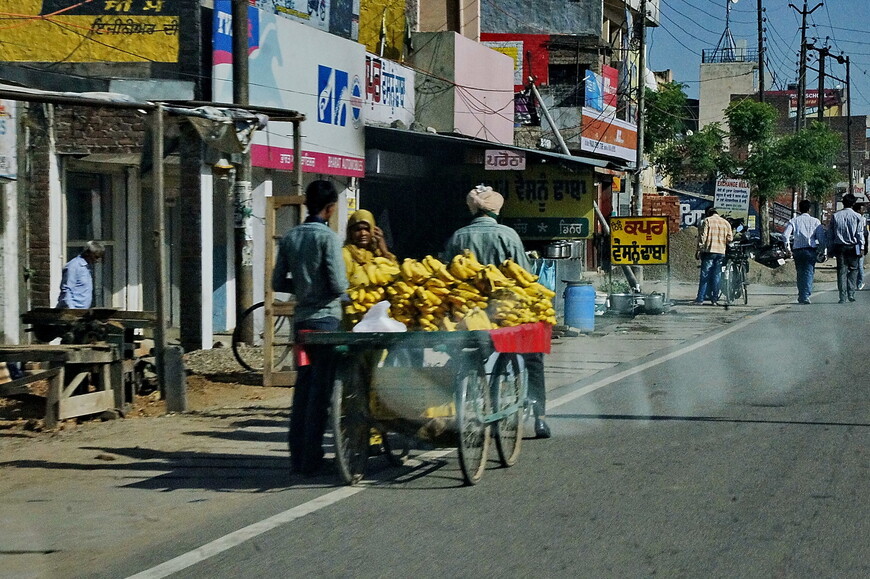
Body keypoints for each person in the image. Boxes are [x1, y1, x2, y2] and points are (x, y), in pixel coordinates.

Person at [443, 185, 551, 439]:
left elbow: (446, 276)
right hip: (505, 314)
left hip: (468, 315)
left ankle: (451, 409)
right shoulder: (508, 235)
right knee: (534, 358)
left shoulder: (459, 236)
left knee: (464, 358)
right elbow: (525, 277)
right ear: (496, 210)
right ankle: (541, 418)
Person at [272, 180, 348, 476]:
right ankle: (313, 457)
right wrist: (340, 294)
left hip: (302, 324)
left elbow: (277, 283)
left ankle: (298, 456)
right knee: (323, 389)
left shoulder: (290, 237)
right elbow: (339, 284)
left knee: (303, 388)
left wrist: (303, 289)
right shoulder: (328, 238)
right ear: (329, 209)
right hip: (326, 322)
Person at [783, 199, 826, 304]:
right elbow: (821, 239)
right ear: (809, 209)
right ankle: (805, 295)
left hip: (797, 250)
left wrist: (787, 248)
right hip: (810, 250)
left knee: (800, 273)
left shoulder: (794, 221)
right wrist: (822, 250)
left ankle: (801, 294)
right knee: (809, 273)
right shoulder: (815, 221)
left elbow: (785, 235)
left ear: (799, 209)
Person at [828, 193, 865, 303]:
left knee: (841, 271)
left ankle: (842, 296)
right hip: (853, 247)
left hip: (840, 247)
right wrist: (861, 247)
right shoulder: (858, 217)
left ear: (843, 203)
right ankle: (851, 293)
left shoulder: (836, 216)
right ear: (853, 204)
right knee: (853, 270)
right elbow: (859, 234)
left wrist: (830, 249)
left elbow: (830, 234)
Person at [693, 207, 733, 305]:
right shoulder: (725, 223)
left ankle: (700, 299)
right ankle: (714, 299)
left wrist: (699, 249)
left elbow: (703, 236)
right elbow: (730, 238)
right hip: (720, 252)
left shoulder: (707, 221)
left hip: (709, 251)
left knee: (705, 275)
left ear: (708, 213)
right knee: (717, 275)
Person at [56, 241, 105, 309]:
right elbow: (67, 289)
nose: (97, 260)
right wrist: (71, 310)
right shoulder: (73, 266)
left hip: (83, 311)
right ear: (88, 253)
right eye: (96, 257)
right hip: (71, 311)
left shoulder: (87, 267)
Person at [852, 202, 868, 290]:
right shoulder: (862, 219)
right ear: (858, 210)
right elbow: (864, 234)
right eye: (862, 209)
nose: (864, 211)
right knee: (860, 265)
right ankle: (859, 283)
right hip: (858, 245)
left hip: (851, 244)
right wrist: (864, 247)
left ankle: (852, 283)